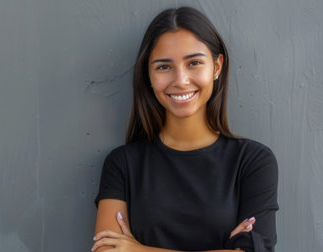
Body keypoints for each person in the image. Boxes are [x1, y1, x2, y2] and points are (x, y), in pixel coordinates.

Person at [92, 7, 278, 252]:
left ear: (217, 66)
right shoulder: (123, 164)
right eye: (163, 67)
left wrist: (140, 249)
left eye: (194, 63)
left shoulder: (253, 162)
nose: (180, 80)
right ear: (148, 74)